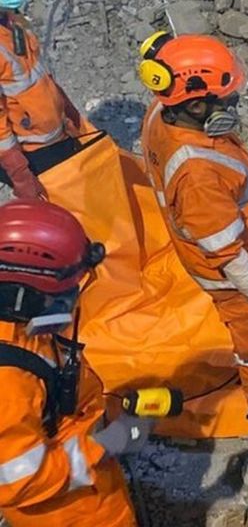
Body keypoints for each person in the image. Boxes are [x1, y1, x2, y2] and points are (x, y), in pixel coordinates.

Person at [138, 32, 248, 445]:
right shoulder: (197, 175)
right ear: (196, 103)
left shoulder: (163, 115)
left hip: (247, 256)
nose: (232, 106)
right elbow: (228, 253)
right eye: (225, 99)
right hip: (240, 279)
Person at [0, 199, 152, 526]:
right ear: (27, 292)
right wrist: (106, 445)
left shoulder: (20, 327)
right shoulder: (7, 383)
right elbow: (20, 480)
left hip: (86, 484)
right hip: (68, 513)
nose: (72, 300)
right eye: (67, 292)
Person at [0, 0, 85, 200]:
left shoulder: (13, 21)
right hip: (31, 151)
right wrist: (20, 173)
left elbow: (40, 76)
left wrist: (70, 113)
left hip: (54, 135)